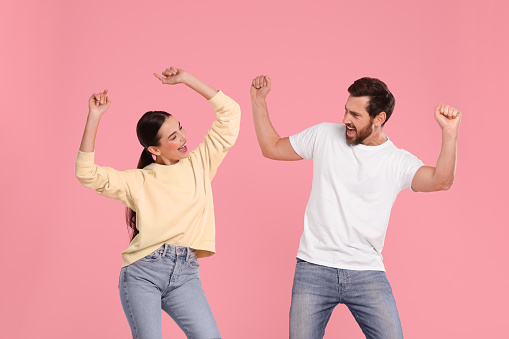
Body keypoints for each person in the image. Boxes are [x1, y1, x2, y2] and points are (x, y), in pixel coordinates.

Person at [250, 75, 460, 339]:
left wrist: (449, 134)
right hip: (314, 267)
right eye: (346, 110)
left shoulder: (396, 162)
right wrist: (258, 102)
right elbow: (271, 147)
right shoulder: (324, 135)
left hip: (367, 272)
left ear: (379, 119)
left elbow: (441, 181)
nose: (346, 119)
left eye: (355, 115)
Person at [75, 67, 240, 339]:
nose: (183, 138)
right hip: (143, 275)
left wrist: (186, 79)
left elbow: (231, 114)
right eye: (173, 137)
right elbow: (86, 173)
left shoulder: (200, 164)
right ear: (154, 149)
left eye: (181, 128)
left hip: (185, 274)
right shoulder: (139, 181)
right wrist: (94, 117)